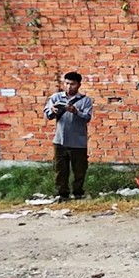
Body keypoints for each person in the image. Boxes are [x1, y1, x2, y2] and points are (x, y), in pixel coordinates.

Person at [43, 71, 94, 201]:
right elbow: (47, 115)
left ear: (78, 85)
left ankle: (78, 193)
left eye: (72, 84)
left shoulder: (85, 100)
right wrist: (52, 111)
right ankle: (62, 194)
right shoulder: (56, 97)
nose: (69, 86)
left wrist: (76, 112)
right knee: (60, 170)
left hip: (78, 141)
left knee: (79, 170)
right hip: (60, 140)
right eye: (67, 83)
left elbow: (87, 117)